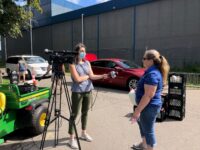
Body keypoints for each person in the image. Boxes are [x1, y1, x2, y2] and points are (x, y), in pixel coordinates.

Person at [68, 43, 109, 149]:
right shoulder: (72, 64)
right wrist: (87, 77)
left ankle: (83, 133)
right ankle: (71, 139)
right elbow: (77, 79)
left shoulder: (87, 63)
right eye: (81, 51)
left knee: (85, 113)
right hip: (77, 92)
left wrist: (102, 76)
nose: (83, 53)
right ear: (76, 52)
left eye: (84, 51)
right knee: (74, 114)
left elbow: (92, 76)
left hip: (88, 90)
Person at [131, 49, 170, 150]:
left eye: (144, 58)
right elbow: (148, 91)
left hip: (149, 107)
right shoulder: (150, 72)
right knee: (142, 125)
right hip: (146, 105)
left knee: (148, 130)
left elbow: (148, 95)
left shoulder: (152, 74)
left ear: (151, 60)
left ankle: (149, 148)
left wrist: (137, 111)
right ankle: (144, 145)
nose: (142, 60)